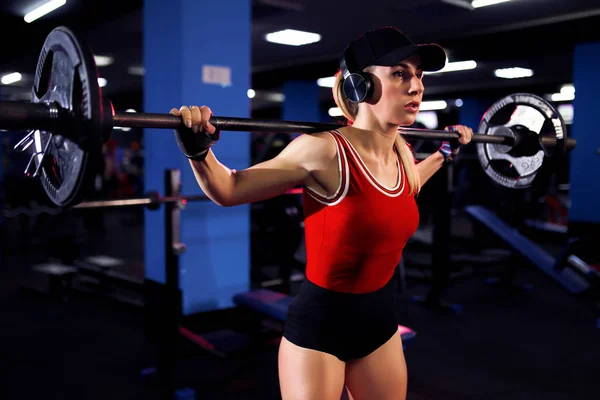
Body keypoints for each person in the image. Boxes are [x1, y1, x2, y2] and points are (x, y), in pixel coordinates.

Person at [170, 26, 473, 400]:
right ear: (360, 86)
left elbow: (407, 189)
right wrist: (200, 153)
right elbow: (230, 190)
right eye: (399, 73)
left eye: (419, 76)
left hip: (380, 319)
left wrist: (443, 154)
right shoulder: (324, 151)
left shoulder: (401, 156)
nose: (416, 87)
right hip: (320, 328)